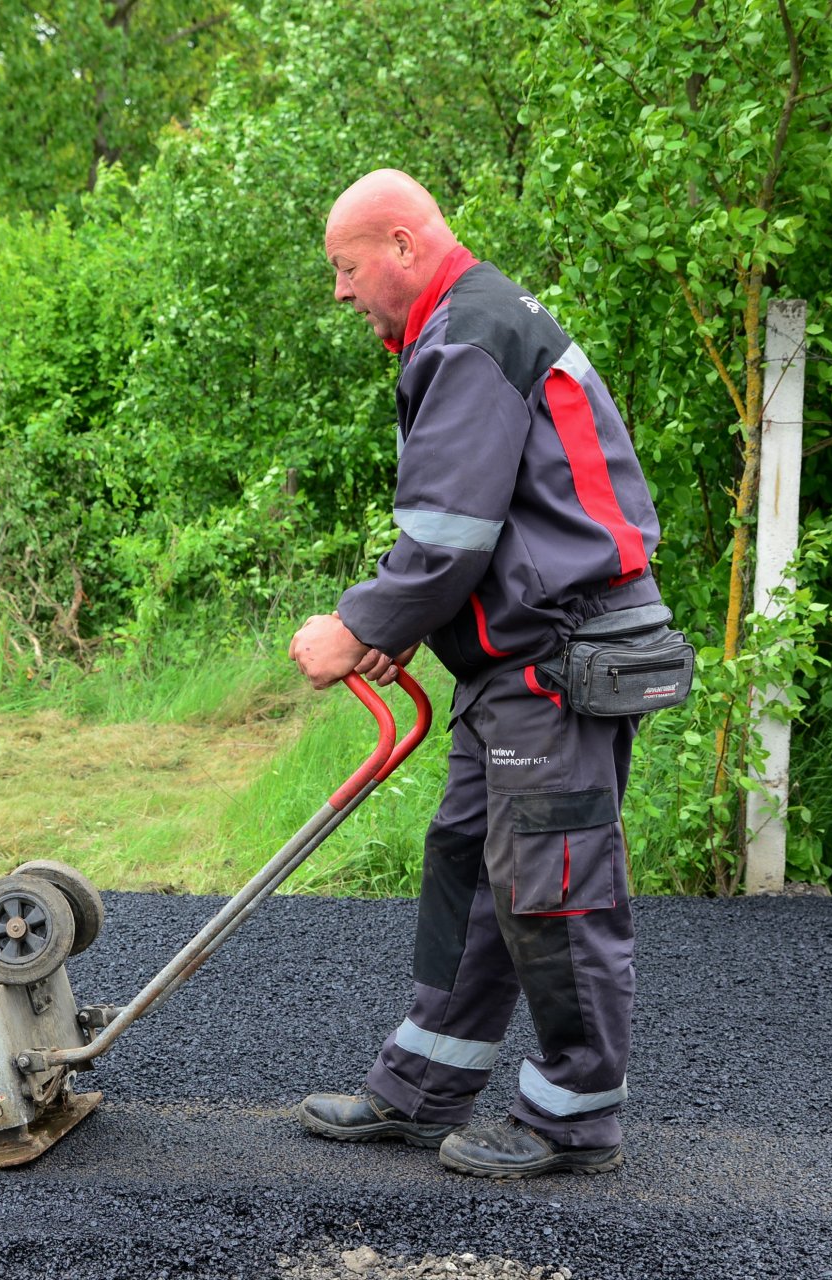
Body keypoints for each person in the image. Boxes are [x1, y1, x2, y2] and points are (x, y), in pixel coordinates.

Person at [287, 169, 663, 1178]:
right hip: (514, 655)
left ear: (403, 246)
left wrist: (357, 623)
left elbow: (449, 536)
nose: (340, 289)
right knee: (469, 857)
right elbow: (482, 528)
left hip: (563, 650)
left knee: (552, 879)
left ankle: (575, 1115)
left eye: (346, 266)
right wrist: (410, 624)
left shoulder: (471, 332)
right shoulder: (461, 327)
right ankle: (422, 1084)